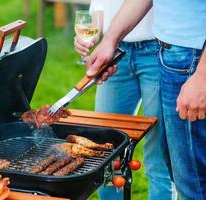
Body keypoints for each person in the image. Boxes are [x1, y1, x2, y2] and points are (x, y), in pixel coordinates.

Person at [85, 0, 206, 199]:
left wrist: (202, 75)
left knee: (189, 178)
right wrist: (109, 40)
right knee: (183, 175)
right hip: (168, 53)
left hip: (187, 55)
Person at [74, 1, 176, 199]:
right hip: (113, 51)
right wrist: (95, 29)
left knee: (158, 155)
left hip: (159, 49)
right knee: (105, 150)